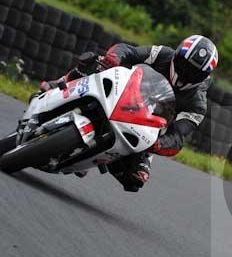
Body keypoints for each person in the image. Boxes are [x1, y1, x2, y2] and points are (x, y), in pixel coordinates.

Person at [40, 35, 218, 192]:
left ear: (203, 76)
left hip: (146, 126)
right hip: (126, 93)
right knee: (98, 61)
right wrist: (115, 58)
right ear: (177, 54)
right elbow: (128, 50)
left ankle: (96, 158)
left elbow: (178, 137)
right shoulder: (163, 53)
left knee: (135, 179)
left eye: (193, 72)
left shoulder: (197, 105)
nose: (185, 72)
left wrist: (158, 144)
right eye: (183, 64)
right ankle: (60, 84)